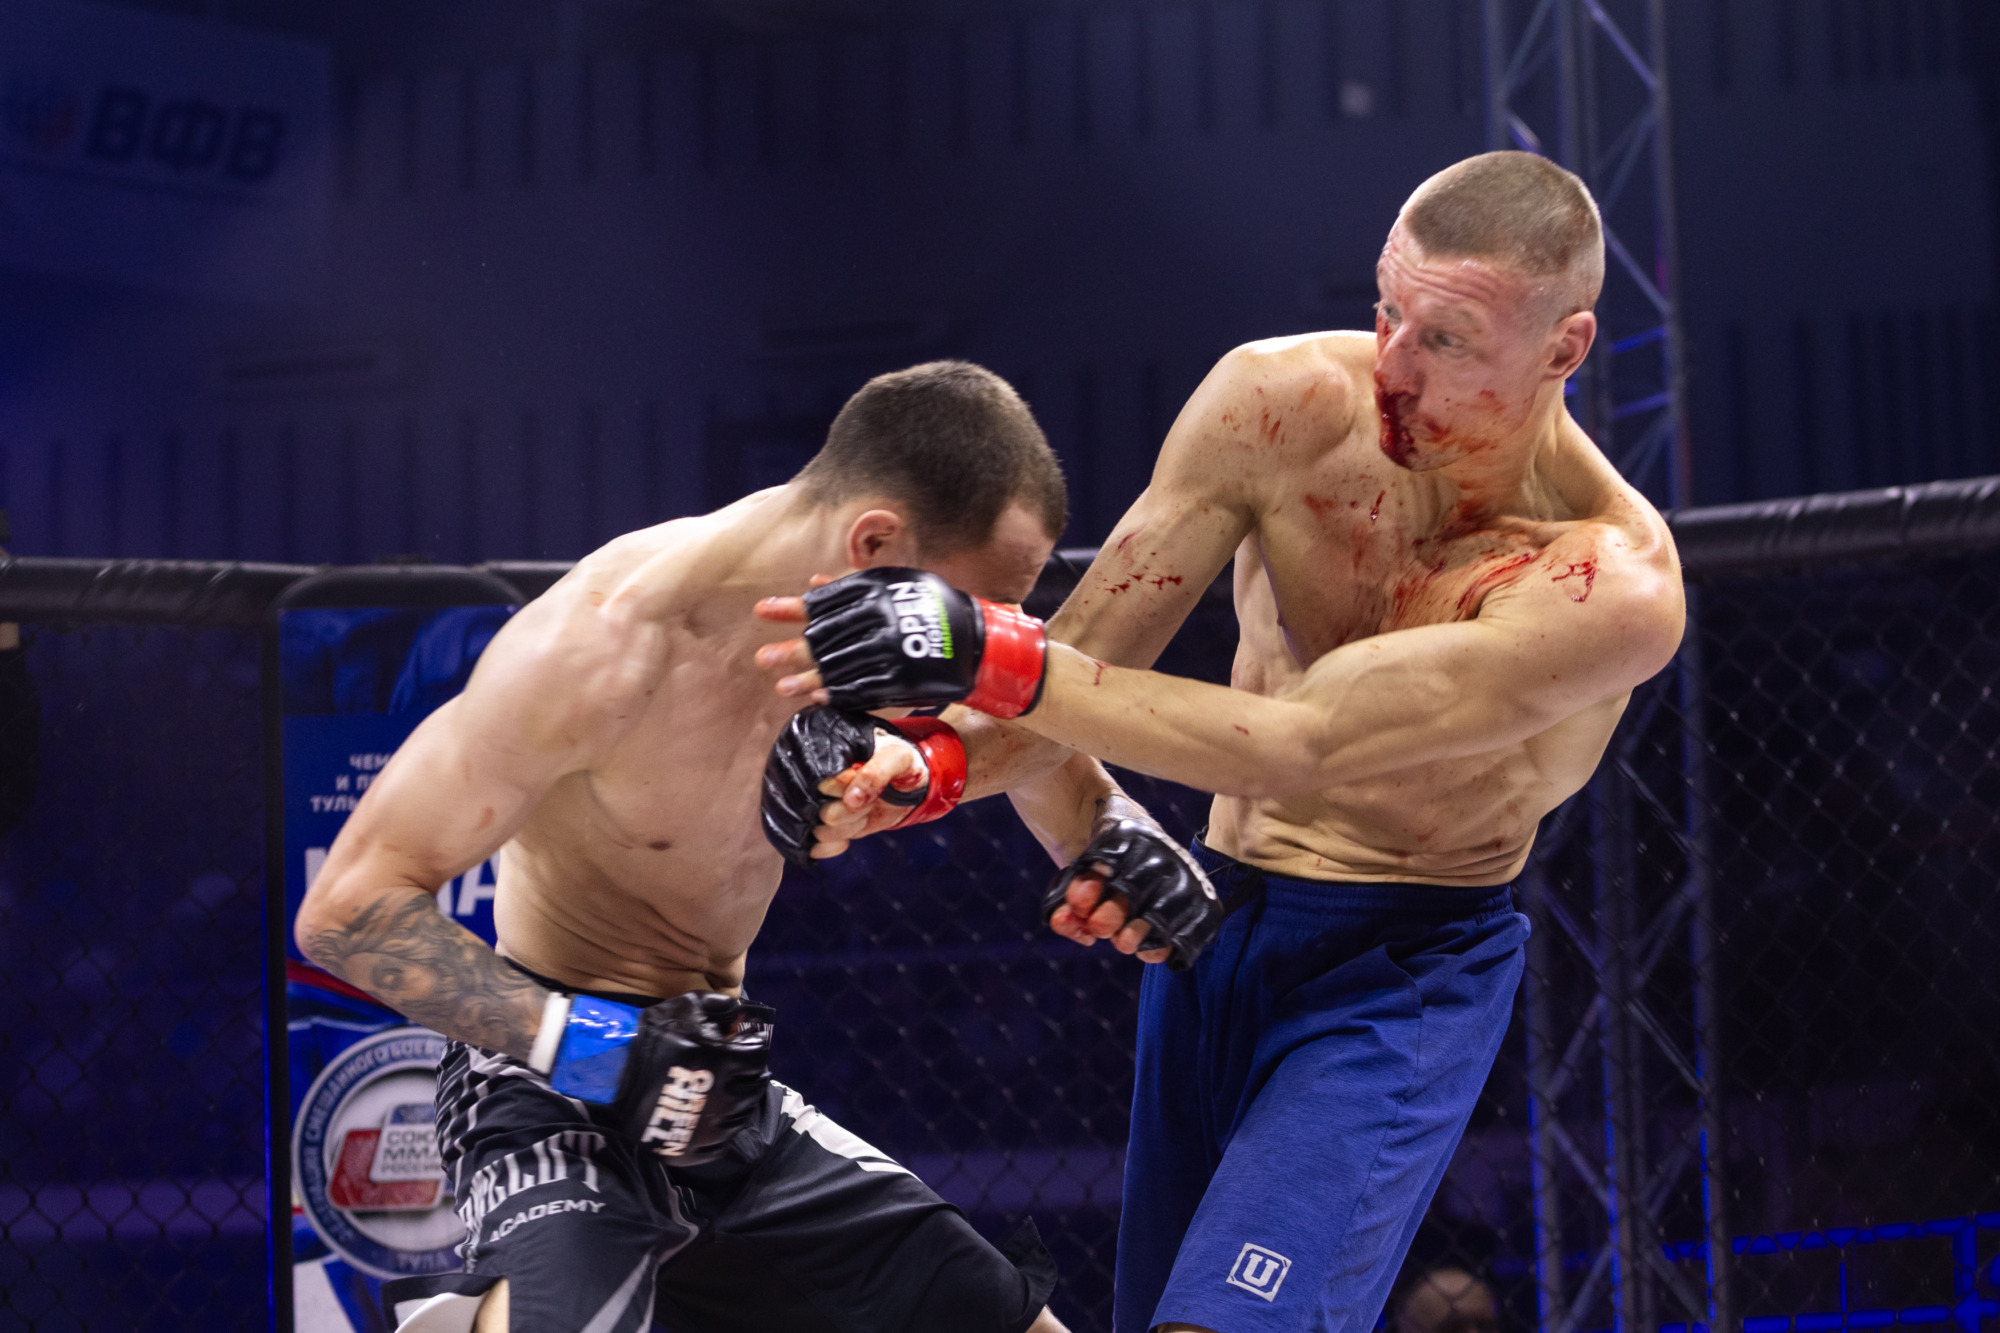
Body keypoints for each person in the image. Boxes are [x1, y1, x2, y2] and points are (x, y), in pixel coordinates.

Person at [754, 152, 1686, 1333]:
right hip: (1214, 927)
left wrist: (982, 652)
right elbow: (1084, 668)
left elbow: (1301, 743)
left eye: (1447, 341)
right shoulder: (1277, 406)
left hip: (1397, 969)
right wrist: (921, 770)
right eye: (1386, 312)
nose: (1393, 367)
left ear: (1564, 347)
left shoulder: (1606, 582)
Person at [296, 360, 1221, 1333]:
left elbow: (1025, 733)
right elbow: (346, 911)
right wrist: (604, 1055)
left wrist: (1109, 828)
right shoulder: (600, 648)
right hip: (549, 1085)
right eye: (969, 612)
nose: (973, 642)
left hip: (722, 1093)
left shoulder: (865, 623)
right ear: (874, 544)